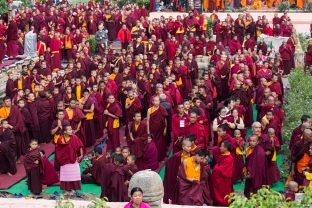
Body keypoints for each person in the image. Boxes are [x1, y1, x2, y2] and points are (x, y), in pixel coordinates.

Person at [55, 125, 84, 195]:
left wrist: (81, 154)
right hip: (64, 160)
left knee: (74, 175)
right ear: (65, 131)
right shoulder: (60, 139)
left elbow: (80, 145)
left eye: (71, 129)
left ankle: (73, 189)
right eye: (69, 130)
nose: (71, 131)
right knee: (66, 175)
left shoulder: (74, 137)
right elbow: (58, 150)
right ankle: (67, 189)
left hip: (73, 158)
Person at [164, 139, 192, 204]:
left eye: (190, 146)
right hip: (179, 177)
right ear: (183, 147)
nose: (189, 148)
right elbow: (169, 163)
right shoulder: (177, 156)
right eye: (188, 146)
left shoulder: (192, 155)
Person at [210, 140, 234, 206]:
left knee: (223, 193)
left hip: (224, 179)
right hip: (220, 177)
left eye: (221, 146)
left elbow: (222, 169)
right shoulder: (223, 155)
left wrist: (215, 168)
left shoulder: (229, 158)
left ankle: (223, 203)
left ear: (226, 148)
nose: (220, 148)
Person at [147, 96, 168, 162]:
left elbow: (165, 119)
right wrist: (148, 130)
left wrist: (165, 128)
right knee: (154, 144)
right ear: (152, 102)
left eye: (158, 101)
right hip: (152, 130)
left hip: (161, 129)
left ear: (159, 101)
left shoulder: (162, 109)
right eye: (155, 101)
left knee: (161, 144)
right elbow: (148, 120)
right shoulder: (149, 110)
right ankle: (154, 158)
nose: (156, 102)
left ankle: (161, 158)